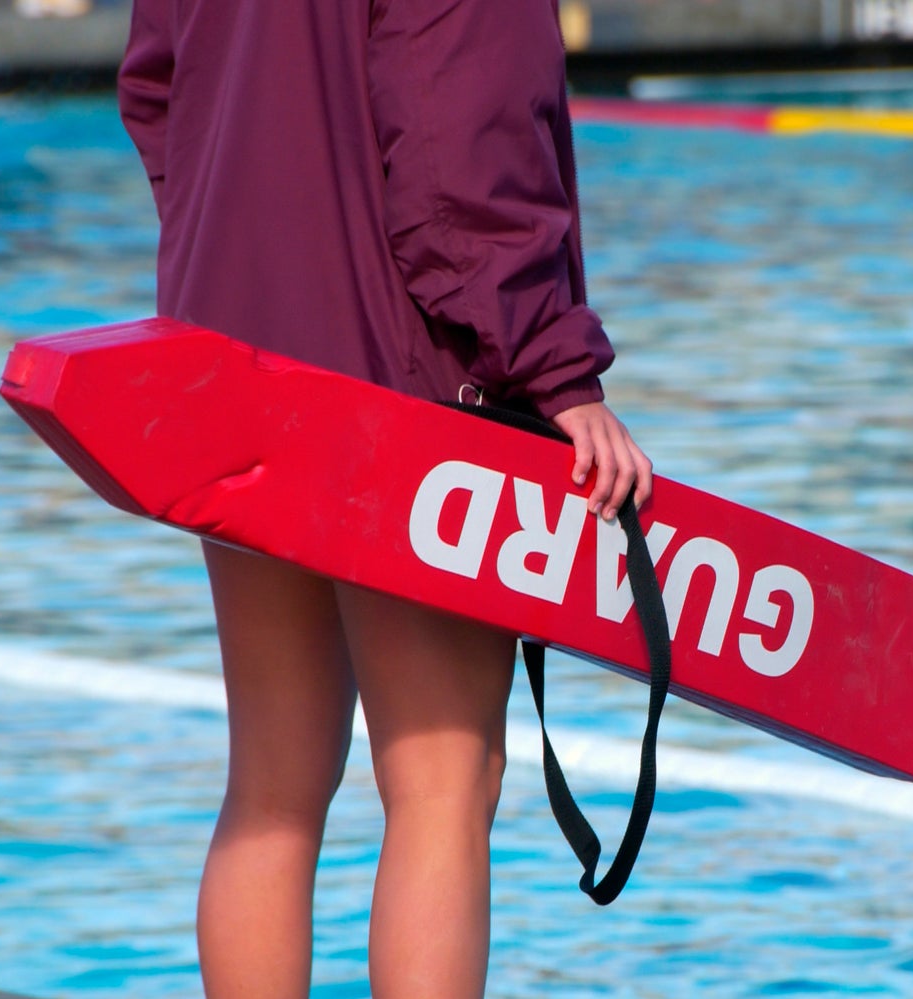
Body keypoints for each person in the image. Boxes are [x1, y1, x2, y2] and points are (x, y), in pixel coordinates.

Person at [115, 0, 652, 994]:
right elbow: (468, 142)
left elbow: (155, 87)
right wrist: (554, 372)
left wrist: (232, 250)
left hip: (226, 361)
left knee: (272, 786)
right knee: (443, 782)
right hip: (401, 390)